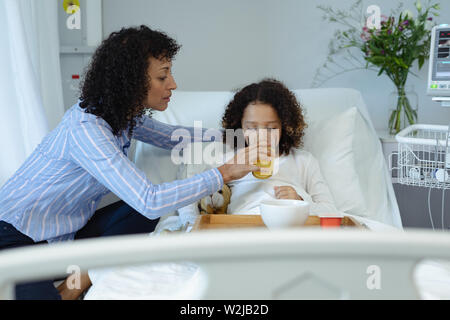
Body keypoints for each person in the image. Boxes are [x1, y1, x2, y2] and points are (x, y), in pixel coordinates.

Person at [0, 25, 261, 300]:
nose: (173, 84)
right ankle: (66, 287)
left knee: (136, 214)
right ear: (132, 81)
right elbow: (150, 200)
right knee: (147, 206)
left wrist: (234, 137)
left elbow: (172, 137)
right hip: (15, 236)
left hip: (64, 235)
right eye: (163, 76)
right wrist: (224, 173)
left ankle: (76, 281)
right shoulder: (87, 129)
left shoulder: (119, 114)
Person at [221, 78, 339, 215]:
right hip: (246, 228)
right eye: (252, 128)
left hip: (289, 228)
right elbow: (198, 194)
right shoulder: (230, 161)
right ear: (239, 126)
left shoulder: (303, 161)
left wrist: (300, 201)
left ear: (284, 126)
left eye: (271, 128)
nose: (262, 136)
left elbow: (331, 212)